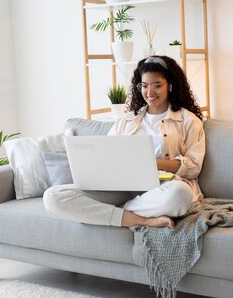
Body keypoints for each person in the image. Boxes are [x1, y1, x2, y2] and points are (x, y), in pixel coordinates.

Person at [43, 55, 205, 228]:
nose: (149, 92)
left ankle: (112, 213)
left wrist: (152, 163)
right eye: (144, 86)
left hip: (162, 189)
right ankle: (140, 219)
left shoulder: (189, 121)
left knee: (180, 194)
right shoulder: (127, 121)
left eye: (157, 85)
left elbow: (193, 167)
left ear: (170, 85)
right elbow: (107, 154)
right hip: (122, 188)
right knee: (52, 197)